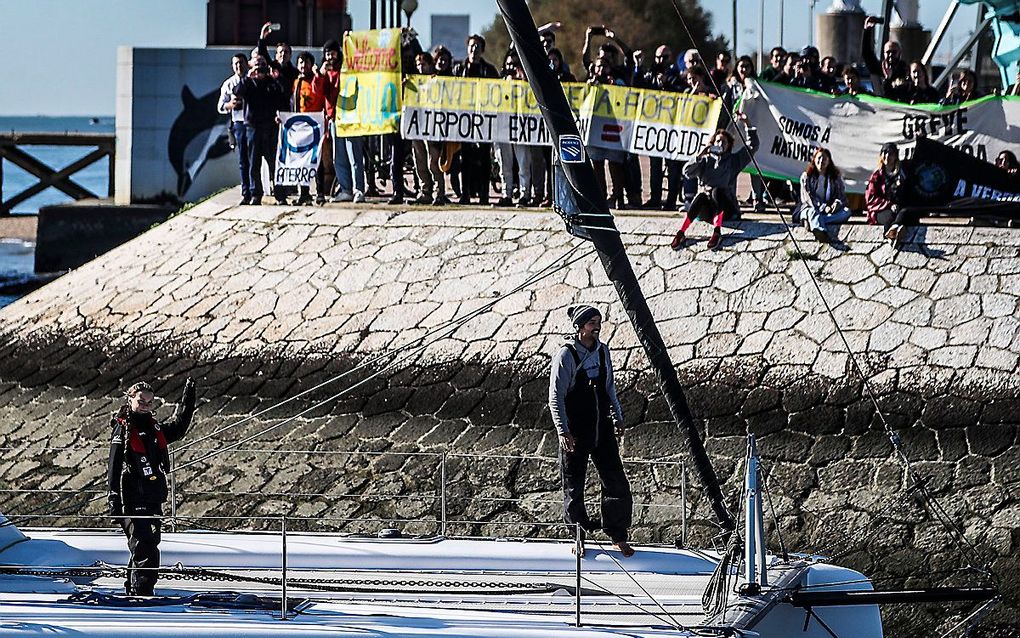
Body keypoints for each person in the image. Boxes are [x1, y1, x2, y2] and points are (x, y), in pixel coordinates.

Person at [548, 305, 633, 558]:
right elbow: (556, 397)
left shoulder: (603, 351)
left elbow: (609, 388)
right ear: (579, 326)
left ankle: (618, 535)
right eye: (590, 323)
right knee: (574, 487)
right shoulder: (566, 355)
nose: (596, 327)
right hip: (576, 431)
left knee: (616, 482)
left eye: (598, 322)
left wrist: (618, 416)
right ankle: (578, 536)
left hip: (602, 429)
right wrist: (563, 431)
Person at [108, 378, 197, 596]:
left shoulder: (154, 427)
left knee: (149, 543)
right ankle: (142, 594)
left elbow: (178, 428)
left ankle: (134, 590)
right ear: (130, 400)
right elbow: (113, 466)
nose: (146, 405)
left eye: (150, 402)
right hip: (134, 498)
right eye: (141, 401)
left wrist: (188, 399)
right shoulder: (123, 430)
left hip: (153, 497)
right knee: (144, 547)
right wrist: (113, 500)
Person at [672, 113, 758, 250]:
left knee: (717, 191)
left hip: (726, 207)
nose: (720, 144)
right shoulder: (705, 160)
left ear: (729, 145)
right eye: (717, 141)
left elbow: (753, 145)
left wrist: (747, 122)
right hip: (707, 209)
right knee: (700, 195)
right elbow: (687, 172)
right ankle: (681, 232)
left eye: (724, 142)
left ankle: (717, 232)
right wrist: (700, 155)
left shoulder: (734, 161)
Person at [233, 55, 289, 204]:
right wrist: (248, 77)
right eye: (257, 66)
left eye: (262, 66)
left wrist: (276, 78)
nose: (260, 70)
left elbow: (283, 95)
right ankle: (256, 194)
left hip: (270, 127)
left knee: (274, 164)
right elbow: (237, 92)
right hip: (253, 128)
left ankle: (280, 195)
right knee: (254, 163)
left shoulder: (272, 83)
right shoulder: (248, 83)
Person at [453, 34, 499, 205]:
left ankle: (484, 195)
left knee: (484, 159)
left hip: (484, 121)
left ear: (482, 50)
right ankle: (465, 194)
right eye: (472, 46)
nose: (474, 50)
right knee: (464, 158)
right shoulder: (458, 70)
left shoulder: (490, 71)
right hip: (464, 120)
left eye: (477, 47)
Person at [410, 52, 449, 205]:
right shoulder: (414, 82)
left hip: (432, 126)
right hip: (417, 125)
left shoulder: (437, 80)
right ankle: (425, 190)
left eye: (423, 64)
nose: (420, 68)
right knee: (419, 159)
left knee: (433, 161)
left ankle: (439, 191)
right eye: (418, 64)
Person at [793, 147, 852, 243]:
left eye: (824, 159)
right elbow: (808, 198)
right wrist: (824, 207)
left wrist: (837, 203)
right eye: (819, 158)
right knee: (812, 212)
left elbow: (841, 196)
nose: (821, 161)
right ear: (814, 160)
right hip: (810, 208)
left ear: (829, 161)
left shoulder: (835, 178)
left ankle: (814, 222)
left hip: (828, 212)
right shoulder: (806, 176)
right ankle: (820, 231)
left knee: (846, 212)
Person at [291, 51, 326, 205]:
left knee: (317, 160)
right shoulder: (296, 82)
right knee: (301, 160)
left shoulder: (316, 80)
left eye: (306, 62)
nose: (303, 66)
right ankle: (304, 193)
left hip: (315, 125)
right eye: (300, 62)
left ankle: (320, 192)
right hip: (299, 126)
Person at [218, 53, 252, 205]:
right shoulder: (229, 84)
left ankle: (258, 189)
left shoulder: (253, 79)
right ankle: (246, 192)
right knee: (243, 159)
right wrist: (231, 105)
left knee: (256, 158)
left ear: (247, 63)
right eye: (236, 64)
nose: (239, 66)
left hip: (254, 122)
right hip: (238, 122)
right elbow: (220, 106)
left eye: (241, 63)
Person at [865, 142, 910, 247]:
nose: (887, 156)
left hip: (899, 209)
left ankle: (894, 230)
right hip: (881, 210)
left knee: (906, 212)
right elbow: (870, 199)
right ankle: (891, 233)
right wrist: (889, 205)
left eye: (890, 154)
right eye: (884, 153)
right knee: (890, 215)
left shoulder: (902, 173)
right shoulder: (876, 175)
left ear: (895, 156)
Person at [862, 16, 909, 101]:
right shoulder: (877, 68)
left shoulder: (904, 70)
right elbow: (866, 53)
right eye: (888, 52)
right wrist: (867, 30)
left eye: (894, 52)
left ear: (899, 53)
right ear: (884, 54)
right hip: (880, 105)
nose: (890, 55)